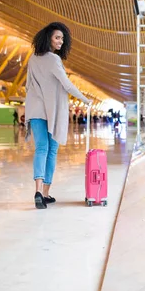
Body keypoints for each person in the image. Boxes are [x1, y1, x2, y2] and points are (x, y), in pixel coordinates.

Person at [24, 22, 92, 209]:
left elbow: (28, 85)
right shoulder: (53, 60)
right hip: (52, 110)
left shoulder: (32, 59)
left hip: (36, 110)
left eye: (62, 38)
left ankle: (39, 191)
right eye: (57, 38)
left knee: (41, 149)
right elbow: (67, 84)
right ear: (49, 38)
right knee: (51, 151)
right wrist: (85, 100)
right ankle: (44, 192)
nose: (60, 41)